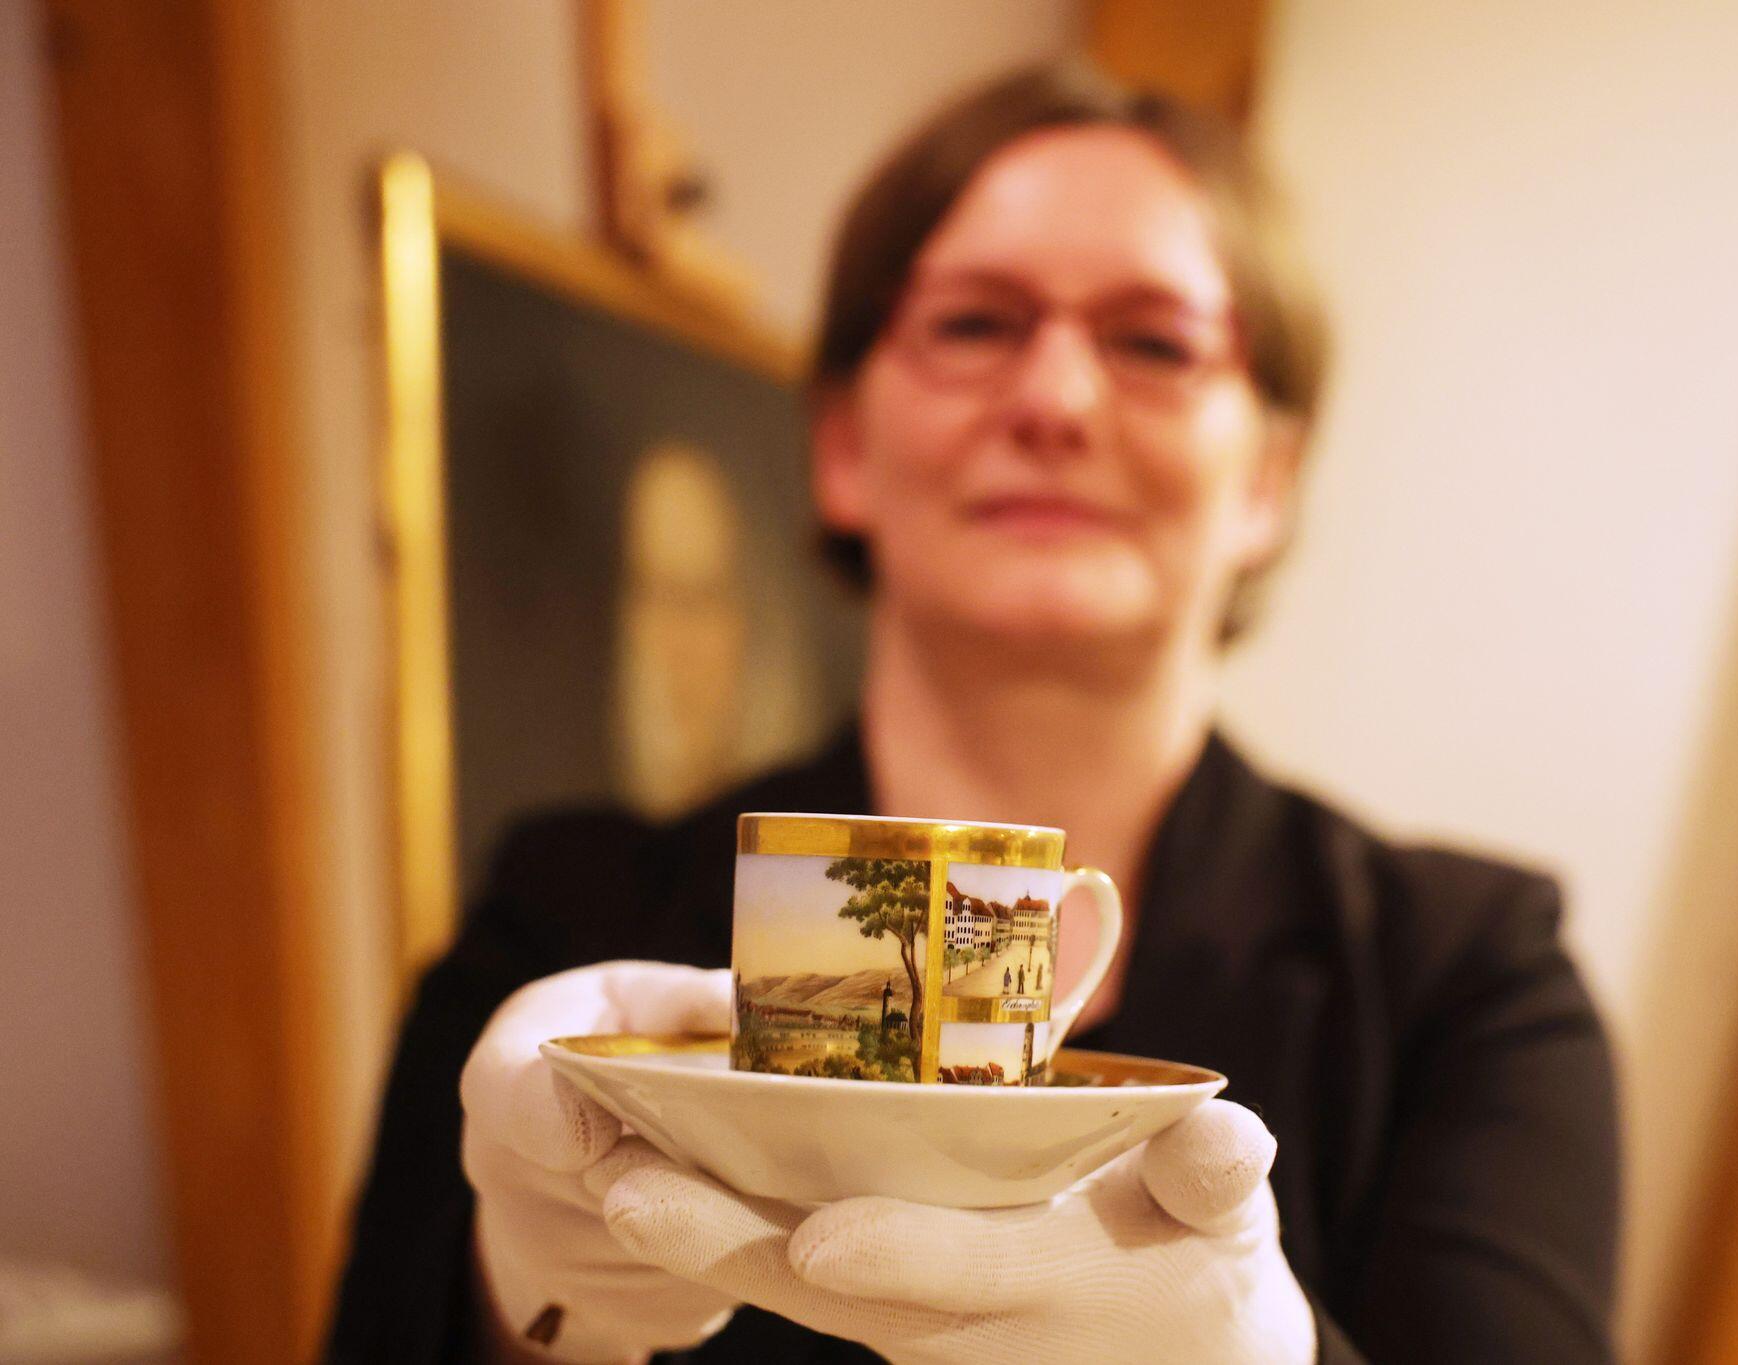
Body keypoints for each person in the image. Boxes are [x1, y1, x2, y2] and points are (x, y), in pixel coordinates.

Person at [328, 60, 1618, 1364]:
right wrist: (522, 1309)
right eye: (975, 325)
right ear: (842, 442)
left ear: (1267, 481)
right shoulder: (564, 920)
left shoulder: (1471, 978)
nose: (1055, 401)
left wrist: (1263, 1352)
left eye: (1155, 343)